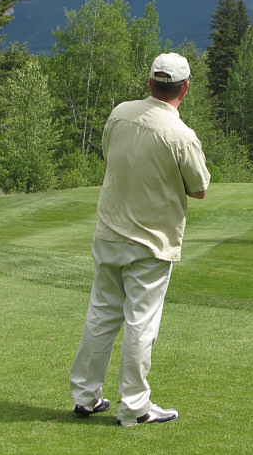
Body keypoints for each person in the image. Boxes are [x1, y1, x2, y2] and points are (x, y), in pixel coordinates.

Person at [70, 52, 211, 426]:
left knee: (101, 314)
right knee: (140, 322)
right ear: (184, 88)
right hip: (150, 241)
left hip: (109, 231)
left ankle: (85, 396)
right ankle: (134, 407)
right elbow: (199, 189)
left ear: (150, 83)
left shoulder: (119, 113)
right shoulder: (180, 134)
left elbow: (108, 155)